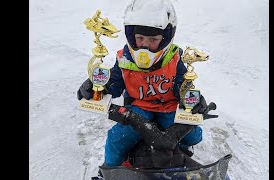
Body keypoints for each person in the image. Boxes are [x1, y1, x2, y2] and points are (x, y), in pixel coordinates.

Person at [77, 0, 216, 167]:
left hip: (169, 106)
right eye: (140, 38)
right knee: (117, 138)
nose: (145, 45)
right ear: (131, 37)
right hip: (139, 109)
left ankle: (181, 149)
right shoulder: (125, 57)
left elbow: (181, 83)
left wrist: (191, 99)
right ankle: (109, 169)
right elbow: (114, 83)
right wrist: (96, 86)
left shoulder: (175, 57)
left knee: (194, 135)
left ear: (165, 38)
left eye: (153, 40)